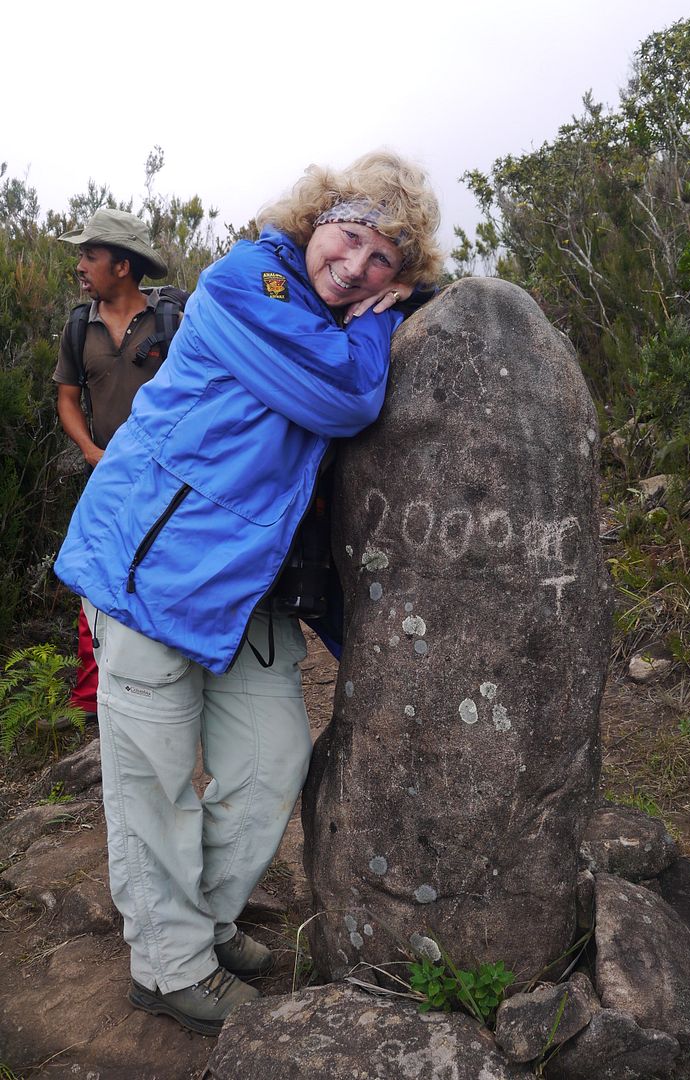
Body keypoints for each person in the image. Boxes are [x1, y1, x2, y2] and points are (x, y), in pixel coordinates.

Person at [54, 151, 443, 1035]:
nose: (355, 267)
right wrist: (381, 324)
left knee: (272, 760)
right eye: (349, 239)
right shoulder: (247, 282)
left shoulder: (331, 314)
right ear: (318, 220)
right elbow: (344, 398)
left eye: (383, 262)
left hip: (245, 591)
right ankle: (168, 964)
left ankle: (207, 920)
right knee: (154, 782)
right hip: (149, 570)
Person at [53, 209, 178, 728]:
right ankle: (95, 705)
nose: (80, 265)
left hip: (172, 485)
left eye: (90, 255)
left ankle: (165, 689)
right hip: (107, 479)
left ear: (122, 265)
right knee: (95, 581)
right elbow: (67, 396)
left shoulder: (175, 318)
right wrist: (88, 448)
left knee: (163, 578)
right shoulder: (80, 326)